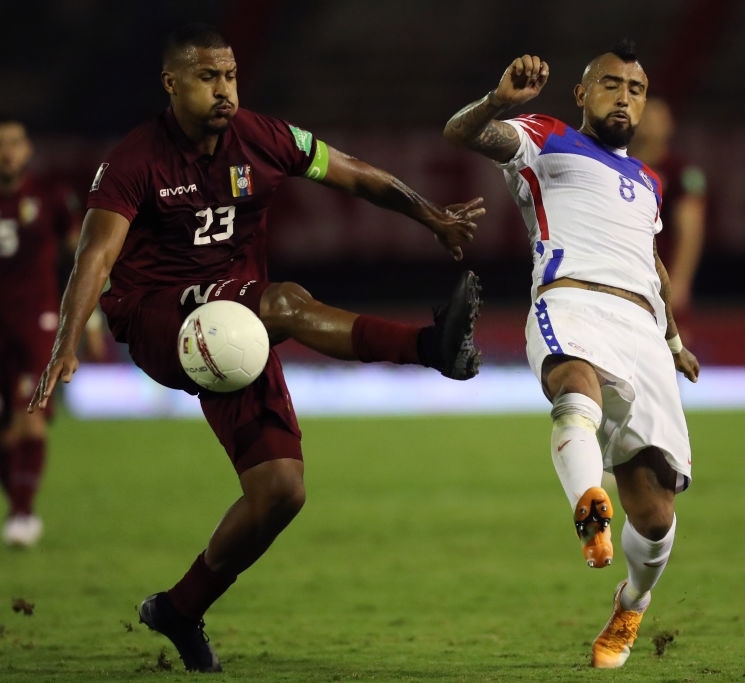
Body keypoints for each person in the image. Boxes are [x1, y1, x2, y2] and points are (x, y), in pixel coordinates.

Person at [29, 23, 484, 673]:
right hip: (160, 318)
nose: (224, 90)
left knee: (280, 492)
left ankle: (179, 608)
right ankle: (431, 346)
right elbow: (95, 256)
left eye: (231, 75)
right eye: (208, 77)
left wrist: (430, 214)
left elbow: (348, 172)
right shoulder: (135, 161)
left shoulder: (263, 137)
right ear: (172, 83)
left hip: (234, 325)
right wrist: (64, 347)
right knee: (286, 303)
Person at [444, 42, 700, 669]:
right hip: (570, 297)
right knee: (574, 387)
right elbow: (462, 134)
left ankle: (631, 604)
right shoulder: (546, 136)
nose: (624, 97)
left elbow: (653, 265)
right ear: (583, 95)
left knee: (657, 511)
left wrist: (673, 341)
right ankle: (589, 503)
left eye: (635, 89)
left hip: (642, 327)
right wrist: (496, 103)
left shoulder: (649, 182)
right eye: (611, 85)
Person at [0, 115, 89, 547]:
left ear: (28, 148)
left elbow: (83, 256)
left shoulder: (50, 196)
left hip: (37, 320)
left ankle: (21, 514)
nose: (7, 152)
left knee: (30, 420)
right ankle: (18, 506)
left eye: (14, 142)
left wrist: (91, 314)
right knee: (6, 429)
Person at [628, 96, 706, 324]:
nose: (650, 124)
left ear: (669, 125)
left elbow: (691, 230)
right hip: (623, 276)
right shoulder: (619, 166)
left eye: (657, 118)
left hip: (660, 280)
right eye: (645, 118)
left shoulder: (682, 173)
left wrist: (680, 280)